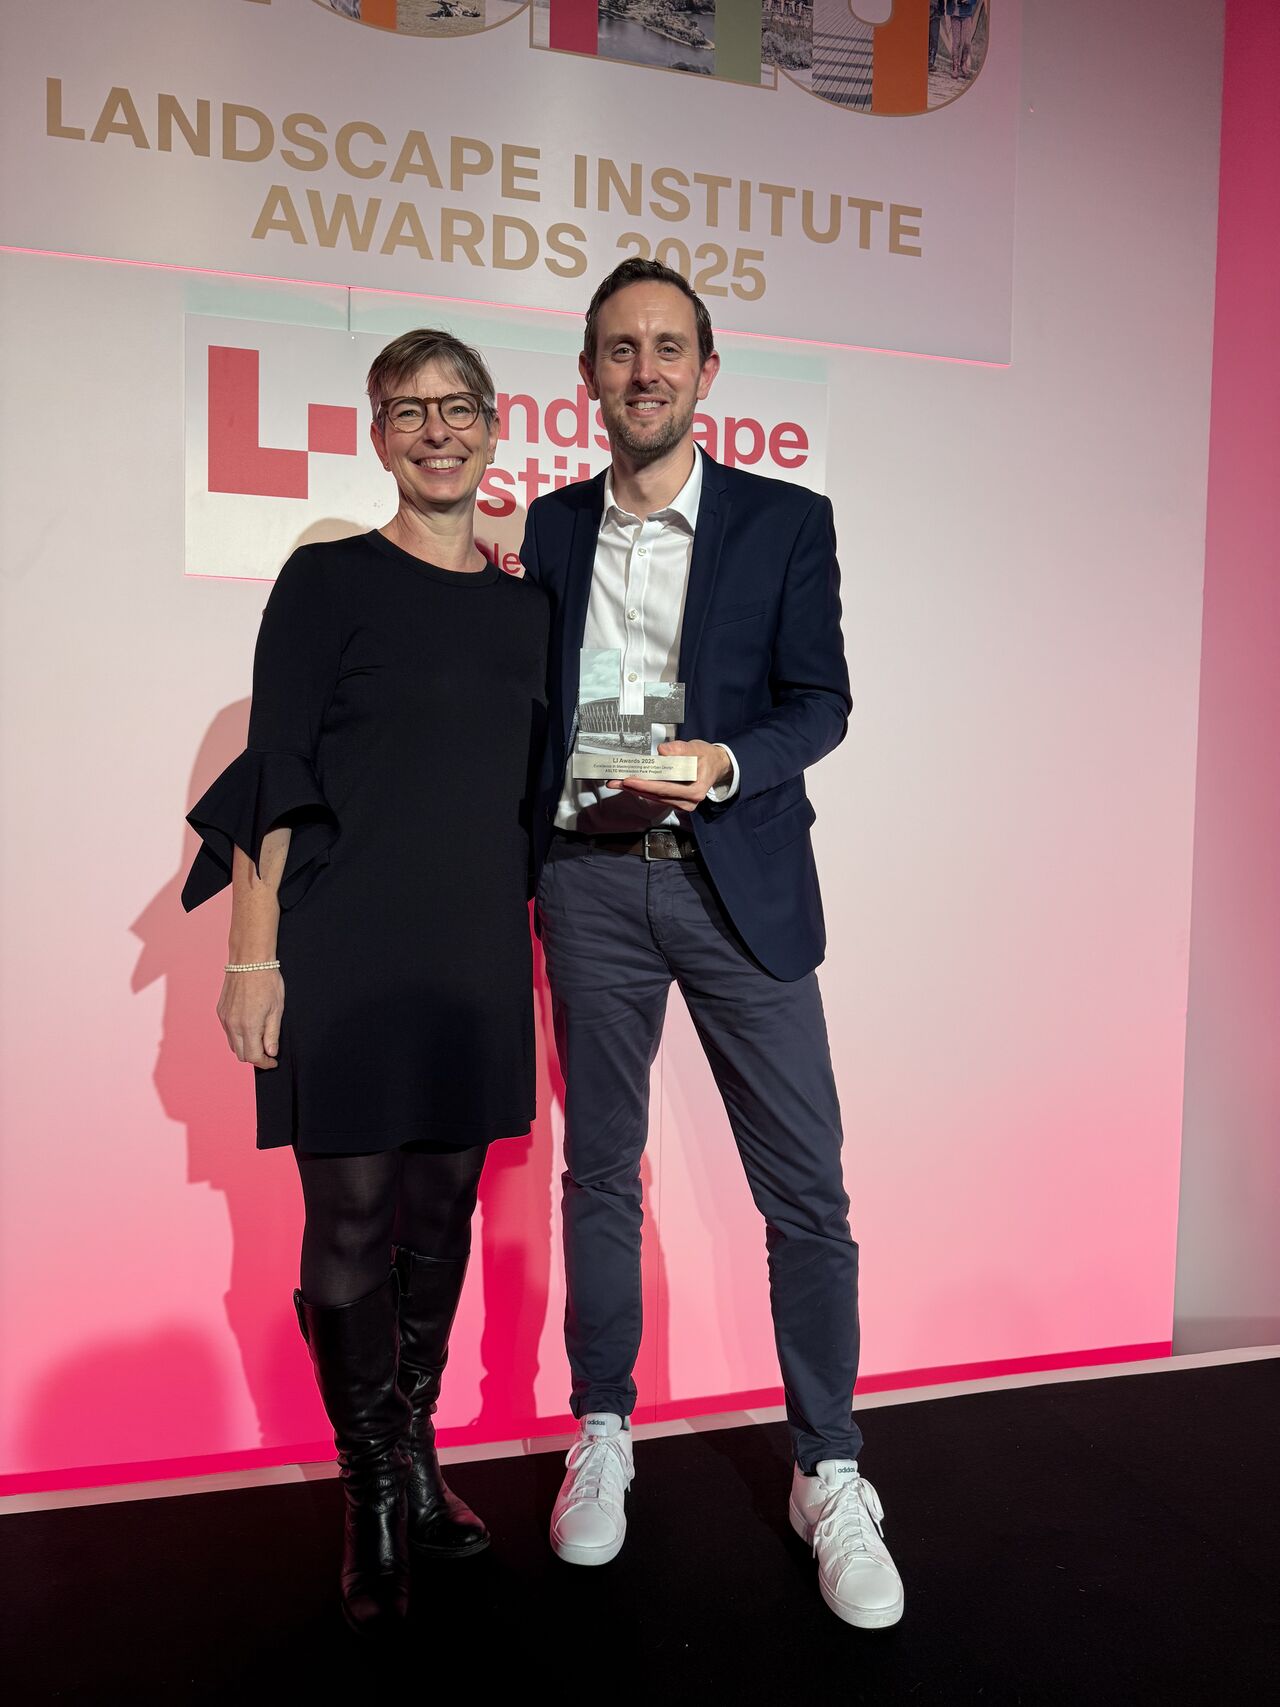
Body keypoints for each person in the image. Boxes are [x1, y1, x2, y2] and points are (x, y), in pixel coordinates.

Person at [520, 259, 904, 1629]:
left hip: (735, 879)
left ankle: (829, 1468)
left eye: (667, 347)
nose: (644, 370)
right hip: (589, 883)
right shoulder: (553, 530)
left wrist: (727, 762)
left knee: (807, 1191)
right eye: (620, 349)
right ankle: (604, 1430)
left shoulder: (786, 522)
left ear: (706, 370)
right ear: (589, 376)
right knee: (600, 1174)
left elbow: (825, 702)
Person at [182, 330, 548, 1634]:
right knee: (344, 1230)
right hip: (342, 948)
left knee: (440, 1221)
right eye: (409, 410)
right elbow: (277, 769)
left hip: (473, 956)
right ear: (377, 432)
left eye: (459, 408)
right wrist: (250, 949)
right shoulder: (325, 581)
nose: (437, 429)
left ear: (495, 424)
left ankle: (420, 1458)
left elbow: (546, 782)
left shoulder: (526, 605)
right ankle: (371, 1489)